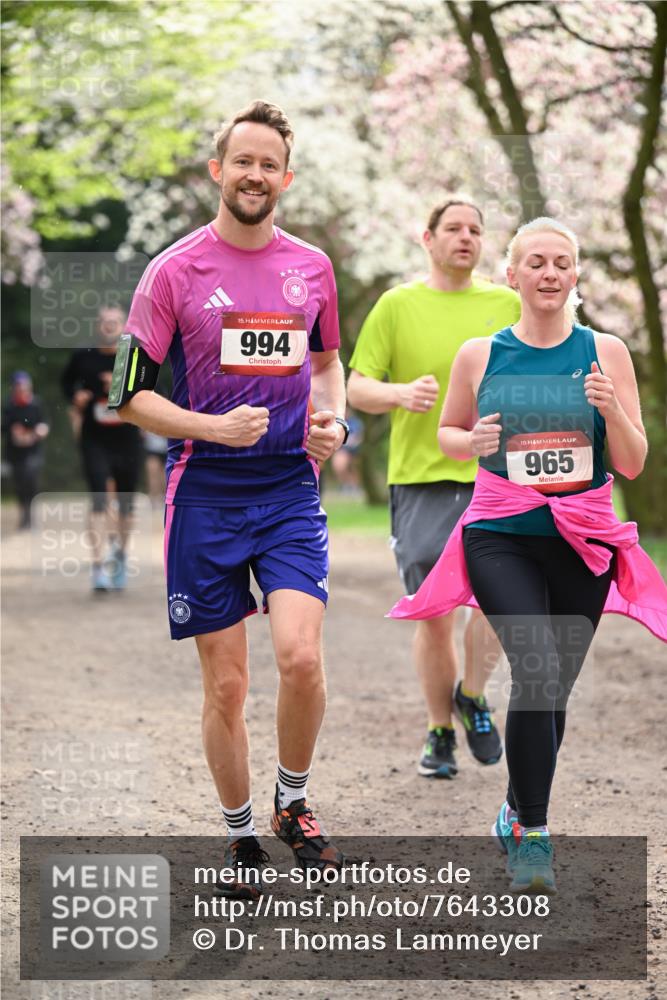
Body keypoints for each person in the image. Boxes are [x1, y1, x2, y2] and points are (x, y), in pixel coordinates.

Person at [390, 217, 667, 892]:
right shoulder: (479, 354)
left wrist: (613, 412)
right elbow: (451, 434)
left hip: (583, 536)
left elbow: (631, 463)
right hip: (500, 532)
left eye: (561, 263)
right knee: (536, 666)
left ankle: (514, 811)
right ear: (510, 275)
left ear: (574, 277)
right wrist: (472, 440)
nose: (549, 273)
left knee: (552, 691)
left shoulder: (606, 351)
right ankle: (535, 838)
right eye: (534, 262)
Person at [114, 100, 348, 897]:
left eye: (268, 163)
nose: (255, 175)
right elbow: (129, 397)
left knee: (302, 657)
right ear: (218, 170)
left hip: (287, 487)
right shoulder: (172, 271)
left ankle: (292, 799)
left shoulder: (311, 267)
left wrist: (334, 422)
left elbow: (324, 365)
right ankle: (241, 832)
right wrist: (209, 428)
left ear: (286, 176)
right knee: (226, 685)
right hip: (205, 493)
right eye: (240, 161)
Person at [348, 198, 521, 778]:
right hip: (420, 477)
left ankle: (472, 693)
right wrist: (399, 395)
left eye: (475, 229)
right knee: (434, 614)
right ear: (428, 239)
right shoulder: (398, 305)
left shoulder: (507, 304)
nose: (466, 238)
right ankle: (439, 730)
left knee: (502, 597)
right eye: (454, 228)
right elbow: (356, 387)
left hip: (498, 474)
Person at [61, 306, 143, 592]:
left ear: (124, 325)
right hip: (94, 439)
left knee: (125, 504)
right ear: (98, 326)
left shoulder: (134, 357)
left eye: (115, 322)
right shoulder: (83, 357)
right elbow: (66, 384)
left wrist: (121, 387)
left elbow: (152, 392)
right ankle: (98, 567)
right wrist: (76, 396)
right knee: (98, 497)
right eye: (105, 322)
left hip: (128, 439)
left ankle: (119, 557)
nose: (109, 326)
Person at [2, 371, 49, 529]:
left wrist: (41, 430)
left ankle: (31, 515)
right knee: (20, 483)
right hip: (15, 453)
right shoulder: (9, 406)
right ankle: (24, 515)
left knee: (31, 479)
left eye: (24, 386)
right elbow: (4, 427)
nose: (22, 389)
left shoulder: (36, 404)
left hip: (33, 451)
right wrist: (13, 430)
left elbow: (45, 422)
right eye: (19, 386)